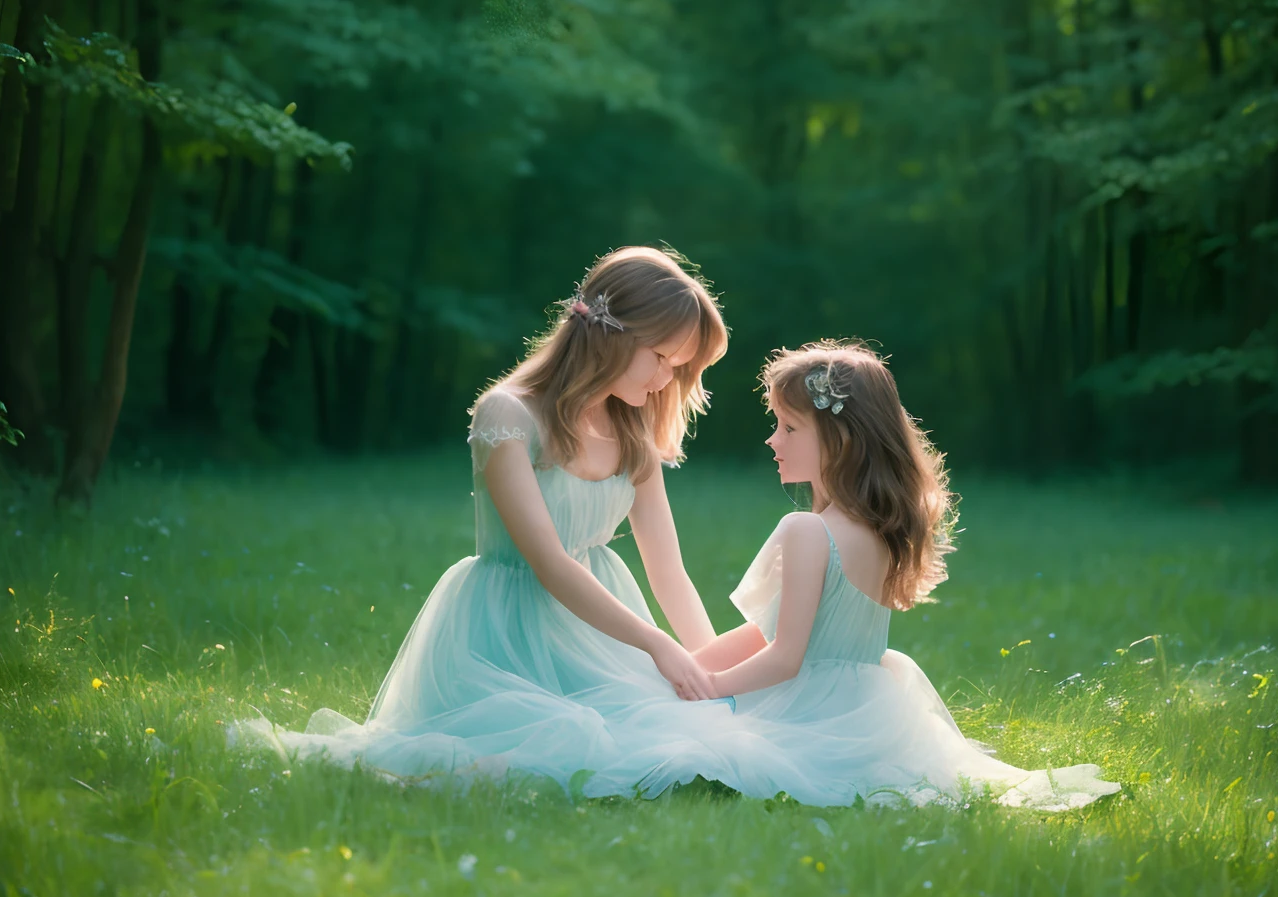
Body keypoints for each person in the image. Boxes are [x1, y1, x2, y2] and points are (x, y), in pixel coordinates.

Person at [238, 247, 743, 793]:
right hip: (509, 630)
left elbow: (668, 572)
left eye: (679, 366)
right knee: (571, 743)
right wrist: (657, 646)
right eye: (662, 358)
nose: (668, 380)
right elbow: (549, 563)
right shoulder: (509, 414)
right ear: (613, 334)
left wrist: (710, 673)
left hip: (601, 633)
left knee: (686, 736)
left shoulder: (632, 430)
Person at [689, 342, 1122, 811]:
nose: (774, 440)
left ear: (843, 439)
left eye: (789, 427)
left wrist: (707, 689)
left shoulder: (808, 530)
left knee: (692, 741)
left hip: (809, 709)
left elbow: (785, 657)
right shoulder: (878, 530)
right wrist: (692, 665)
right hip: (862, 712)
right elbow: (766, 631)